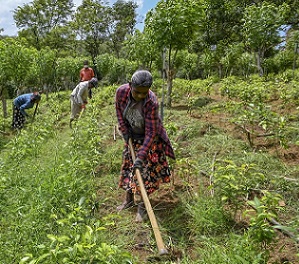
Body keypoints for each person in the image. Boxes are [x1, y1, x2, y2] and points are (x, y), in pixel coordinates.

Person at [115, 70, 175, 222]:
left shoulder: (152, 102)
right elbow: (119, 114)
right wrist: (124, 130)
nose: (141, 96)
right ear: (130, 86)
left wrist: (141, 156)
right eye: (137, 93)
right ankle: (128, 201)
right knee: (129, 166)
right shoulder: (121, 93)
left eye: (144, 93)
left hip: (149, 138)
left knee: (143, 171)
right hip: (132, 134)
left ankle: (142, 207)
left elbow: (151, 132)